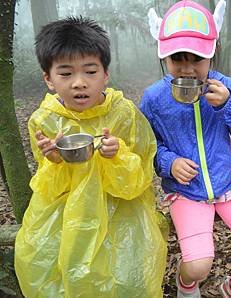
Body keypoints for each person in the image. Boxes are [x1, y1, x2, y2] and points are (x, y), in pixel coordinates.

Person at [14, 16, 167, 297]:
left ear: (105, 74)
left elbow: (139, 180)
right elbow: (48, 188)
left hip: (121, 213)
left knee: (127, 276)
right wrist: (54, 161)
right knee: (56, 276)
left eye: (90, 71)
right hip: (64, 218)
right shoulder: (43, 120)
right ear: (48, 79)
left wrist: (116, 155)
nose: (79, 83)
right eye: (66, 73)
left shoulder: (124, 113)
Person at [141, 1, 231, 297]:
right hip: (186, 190)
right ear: (165, 58)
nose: (188, 69)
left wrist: (227, 105)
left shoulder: (227, 88)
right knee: (199, 266)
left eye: (197, 59)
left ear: (211, 54)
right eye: (178, 59)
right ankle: (185, 284)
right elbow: (147, 147)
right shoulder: (154, 98)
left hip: (228, 183)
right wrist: (169, 162)